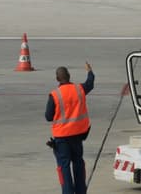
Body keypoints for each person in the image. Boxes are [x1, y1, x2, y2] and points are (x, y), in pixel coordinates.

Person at [45, 62, 94, 194]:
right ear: (69, 76)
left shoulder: (55, 95)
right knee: (78, 163)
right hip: (77, 136)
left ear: (57, 79)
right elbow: (90, 84)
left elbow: (48, 116)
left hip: (61, 138)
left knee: (64, 167)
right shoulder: (79, 89)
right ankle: (81, 191)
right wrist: (90, 71)